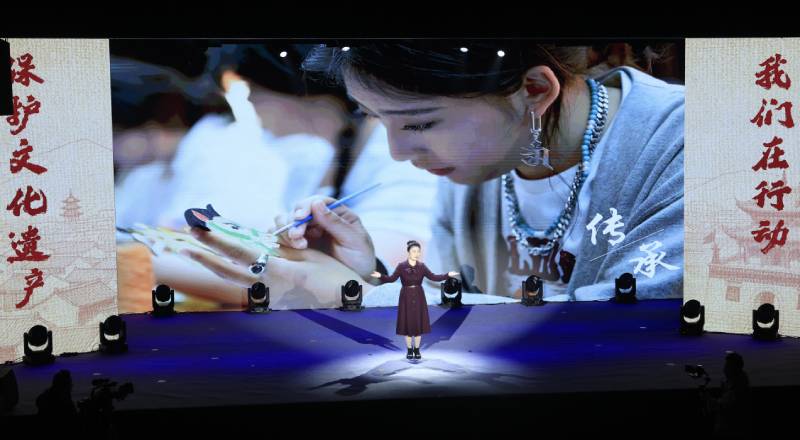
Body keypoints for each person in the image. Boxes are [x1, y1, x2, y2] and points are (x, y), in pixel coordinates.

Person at [289, 41, 684, 301]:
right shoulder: (470, 166)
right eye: (374, 117)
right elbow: (457, 310)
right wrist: (367, 274)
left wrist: (357, 296)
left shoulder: (687, 142)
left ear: (534, 90)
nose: (397, 153)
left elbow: (631, 332)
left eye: (420, 123)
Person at [370, 240, 459, 359]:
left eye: (418, 251)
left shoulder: (422, 267)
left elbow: (433, 277)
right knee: (407, 327)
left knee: (418, 327)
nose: (416, 254)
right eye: (414, 251)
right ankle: (409, 350)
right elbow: (392, 279)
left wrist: (447, 275)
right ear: (409, 252)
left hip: (418, 295)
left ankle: (416, 350)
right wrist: (380, 276)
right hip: (406, 295)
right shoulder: (401, 266)